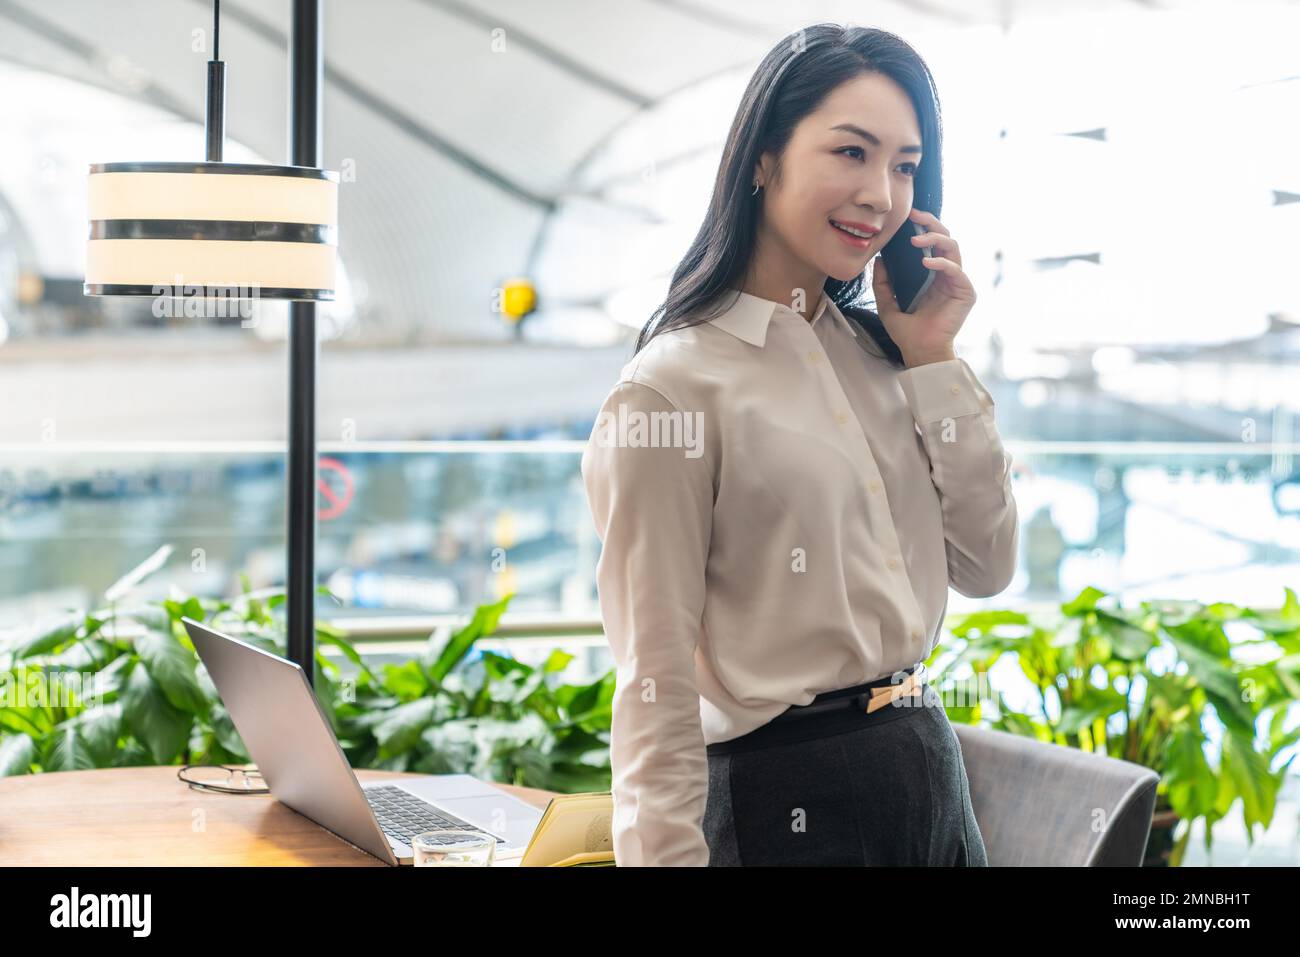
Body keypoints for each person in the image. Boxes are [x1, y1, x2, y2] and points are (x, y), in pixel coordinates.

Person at [580, 22, 1018, 866]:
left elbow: (988, 563)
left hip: (927, 767)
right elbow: (654, 682)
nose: (882, 194)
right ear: (762, 158)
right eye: (850, 153)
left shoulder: (893, 355)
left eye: (903, 164)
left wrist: (934, 356)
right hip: (784, 798)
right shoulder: (669, 389)